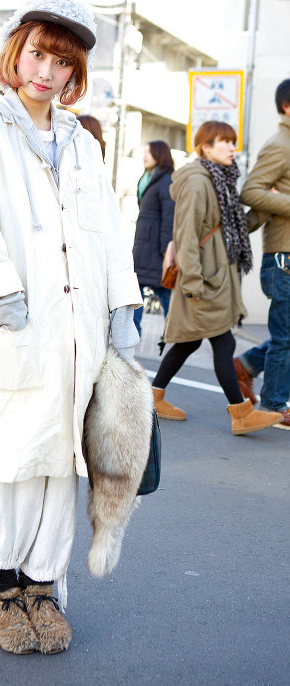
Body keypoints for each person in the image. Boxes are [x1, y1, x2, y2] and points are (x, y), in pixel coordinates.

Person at [0, 0, 142, 655]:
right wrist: (2, 290)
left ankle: (41, 585)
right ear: (15, 51)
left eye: (63, 61)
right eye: (38, 53)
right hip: (16, 324)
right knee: (9, 460)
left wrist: (122, 304)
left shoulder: (81, 144)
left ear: (75, 72)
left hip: (78, 331)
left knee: (63, 461)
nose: (47, 70)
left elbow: (110, 231)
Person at [150, 120, 283, 435]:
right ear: (205, 147)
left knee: (190, 342)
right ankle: (240, 414)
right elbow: (186, 235)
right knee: (223, 342)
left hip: (216, 278)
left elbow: (231, 230)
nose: (230, 147)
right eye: (223, 141)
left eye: (232, 141)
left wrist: (266, 209)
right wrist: (194, 284)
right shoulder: (198, 182)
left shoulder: (220, 181)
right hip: (203, 282)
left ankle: (153, 396)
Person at [233, 80, 290, 430]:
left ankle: (247, 365)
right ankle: (273, 405)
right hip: (283, 257)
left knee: (288, 335)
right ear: (287, 106)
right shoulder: (280, 145)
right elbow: (251, 191)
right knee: (285, 337)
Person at [132, 140, 175, 336]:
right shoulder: (147, 178)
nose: (144, 156)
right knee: (136, 290)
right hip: (143, 247)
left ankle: (174, 329)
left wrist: (166, 249)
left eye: (148, 152)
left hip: (157, 249)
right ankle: (134, 330)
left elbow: (169, 217)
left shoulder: (165, 180)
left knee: (165, 291)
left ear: (159, 154)